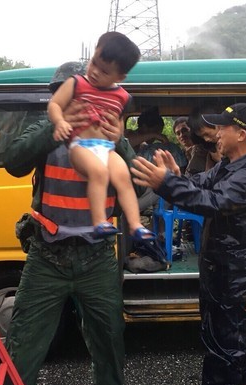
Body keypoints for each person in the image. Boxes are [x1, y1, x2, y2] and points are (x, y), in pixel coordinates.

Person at [0, 62, 142, 385]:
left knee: (109, 332)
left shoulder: (111, 135)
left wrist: (121, 140)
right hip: (48, 257)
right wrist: (54, 127)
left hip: (96, 259)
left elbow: (136, 185)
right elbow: (13, 161)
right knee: (24, 340)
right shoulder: (44, 131)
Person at [131, 103, 246, 385]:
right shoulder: (229, 165)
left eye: (221, 129)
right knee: (232, 321)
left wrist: (166, 185)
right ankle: (242, 378)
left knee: (218, 332)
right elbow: (200, 184)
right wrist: (177, 178)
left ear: (240, 133)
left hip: (233, 264)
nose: (214, 135)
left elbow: (212, 203)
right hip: (226, 259)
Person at [47, 32, 154, 241]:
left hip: (106, 148)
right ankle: (99, 222)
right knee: (99, 173)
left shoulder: (122, 96)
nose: (94, 72)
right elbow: (54, 105)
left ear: (119, 77)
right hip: (81, 145)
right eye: (93, 63)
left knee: (123, 177)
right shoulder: (76, 83)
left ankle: (135, 225)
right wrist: (60, 122)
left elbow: (119, 126)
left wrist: (117, 136)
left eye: (104, 71)